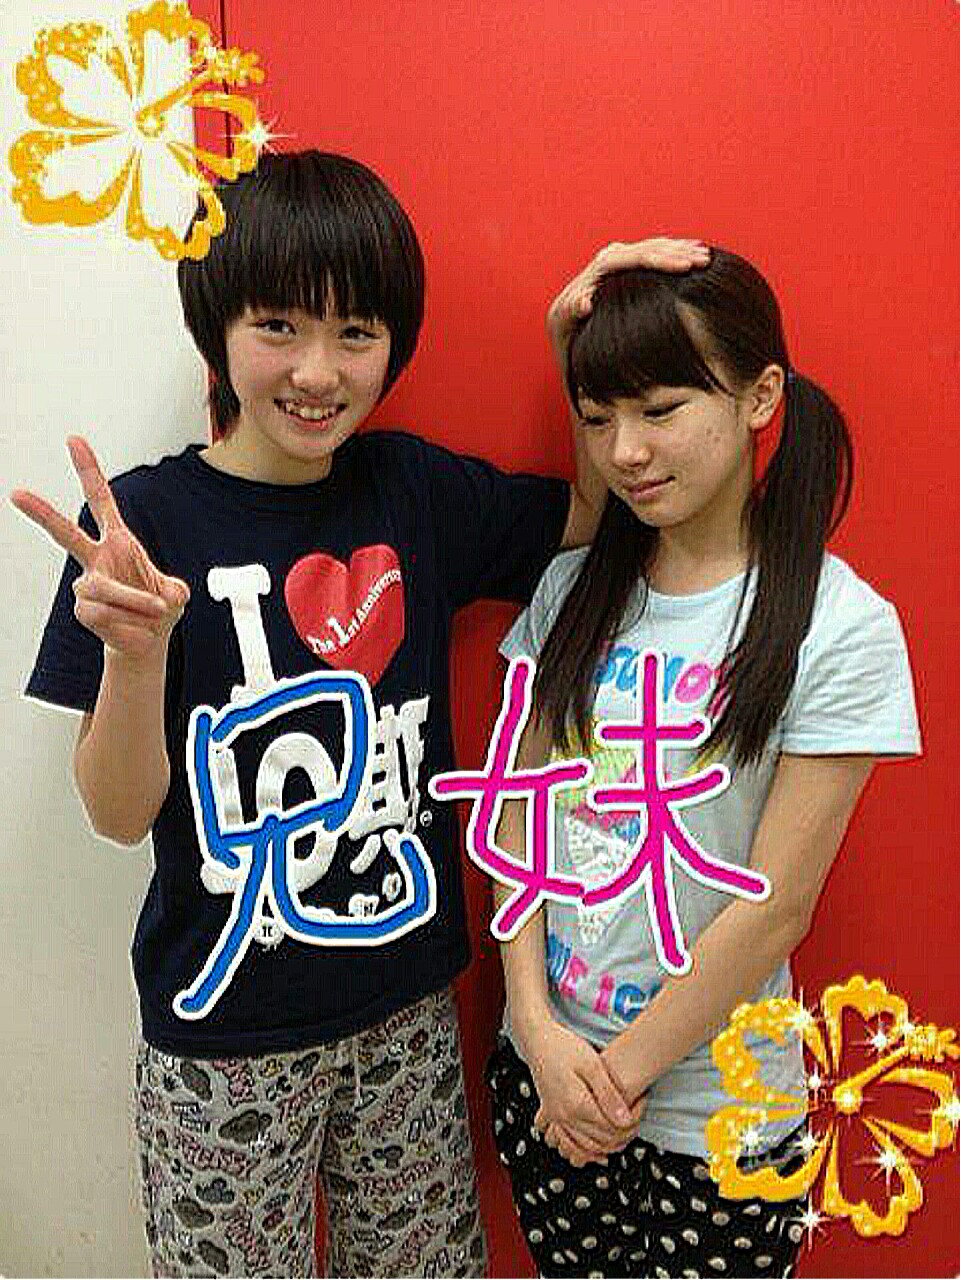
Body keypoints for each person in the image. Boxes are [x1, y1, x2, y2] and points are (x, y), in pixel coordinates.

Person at [12, 150, 704, 1277]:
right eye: (277, 327)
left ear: (394, 342)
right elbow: (118, 812)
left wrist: (572, 347)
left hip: (406, 1013)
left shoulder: (411, 490)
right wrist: (137, 658)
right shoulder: (142, 527)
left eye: (355, 333)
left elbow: (586, 517)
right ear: (216, 326)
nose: (316, 371)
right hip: (222, 1038)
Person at [487, 246, 922, 1279]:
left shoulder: (838, 624)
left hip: (718, 1112)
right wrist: (536, 1030)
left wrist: (616, 1078)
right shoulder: (570, 591)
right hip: (548, 1074)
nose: (626, 451)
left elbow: (777, 906)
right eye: (598, 418)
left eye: (661, 409)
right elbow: (516, 816)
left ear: (760, 396)